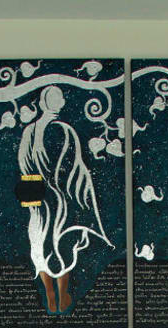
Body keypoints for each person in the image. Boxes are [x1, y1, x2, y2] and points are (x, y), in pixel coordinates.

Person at [16, 85, 112, 314]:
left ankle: (50, 292)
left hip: (38, 197)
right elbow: (76, 167)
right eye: (56, 98)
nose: (59, 102)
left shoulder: (30, 131)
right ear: (46, 102)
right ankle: (61, 292)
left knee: (41, 243)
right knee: (63, 243)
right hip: (61, 199)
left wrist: (37, 187)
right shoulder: (64, 129)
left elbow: (24, 164)